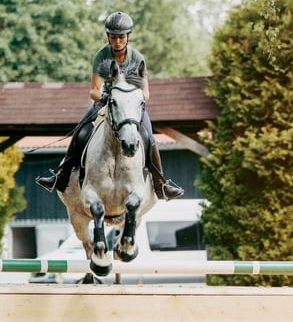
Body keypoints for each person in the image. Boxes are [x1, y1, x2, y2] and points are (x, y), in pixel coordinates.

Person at [36, 11, 184, 200]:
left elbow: (145, 92)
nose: (117, 41)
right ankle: (60, 176)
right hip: (107, 102)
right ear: (108, 37)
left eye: (121, 37)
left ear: (128, 36)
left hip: (130, 106)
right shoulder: (101, 56)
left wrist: (132, 97)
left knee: (148, 136)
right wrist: (105, 97)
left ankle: (160, 184)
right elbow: (93, 90)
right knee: (81, 130)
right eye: (113, 37)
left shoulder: (137, 58)